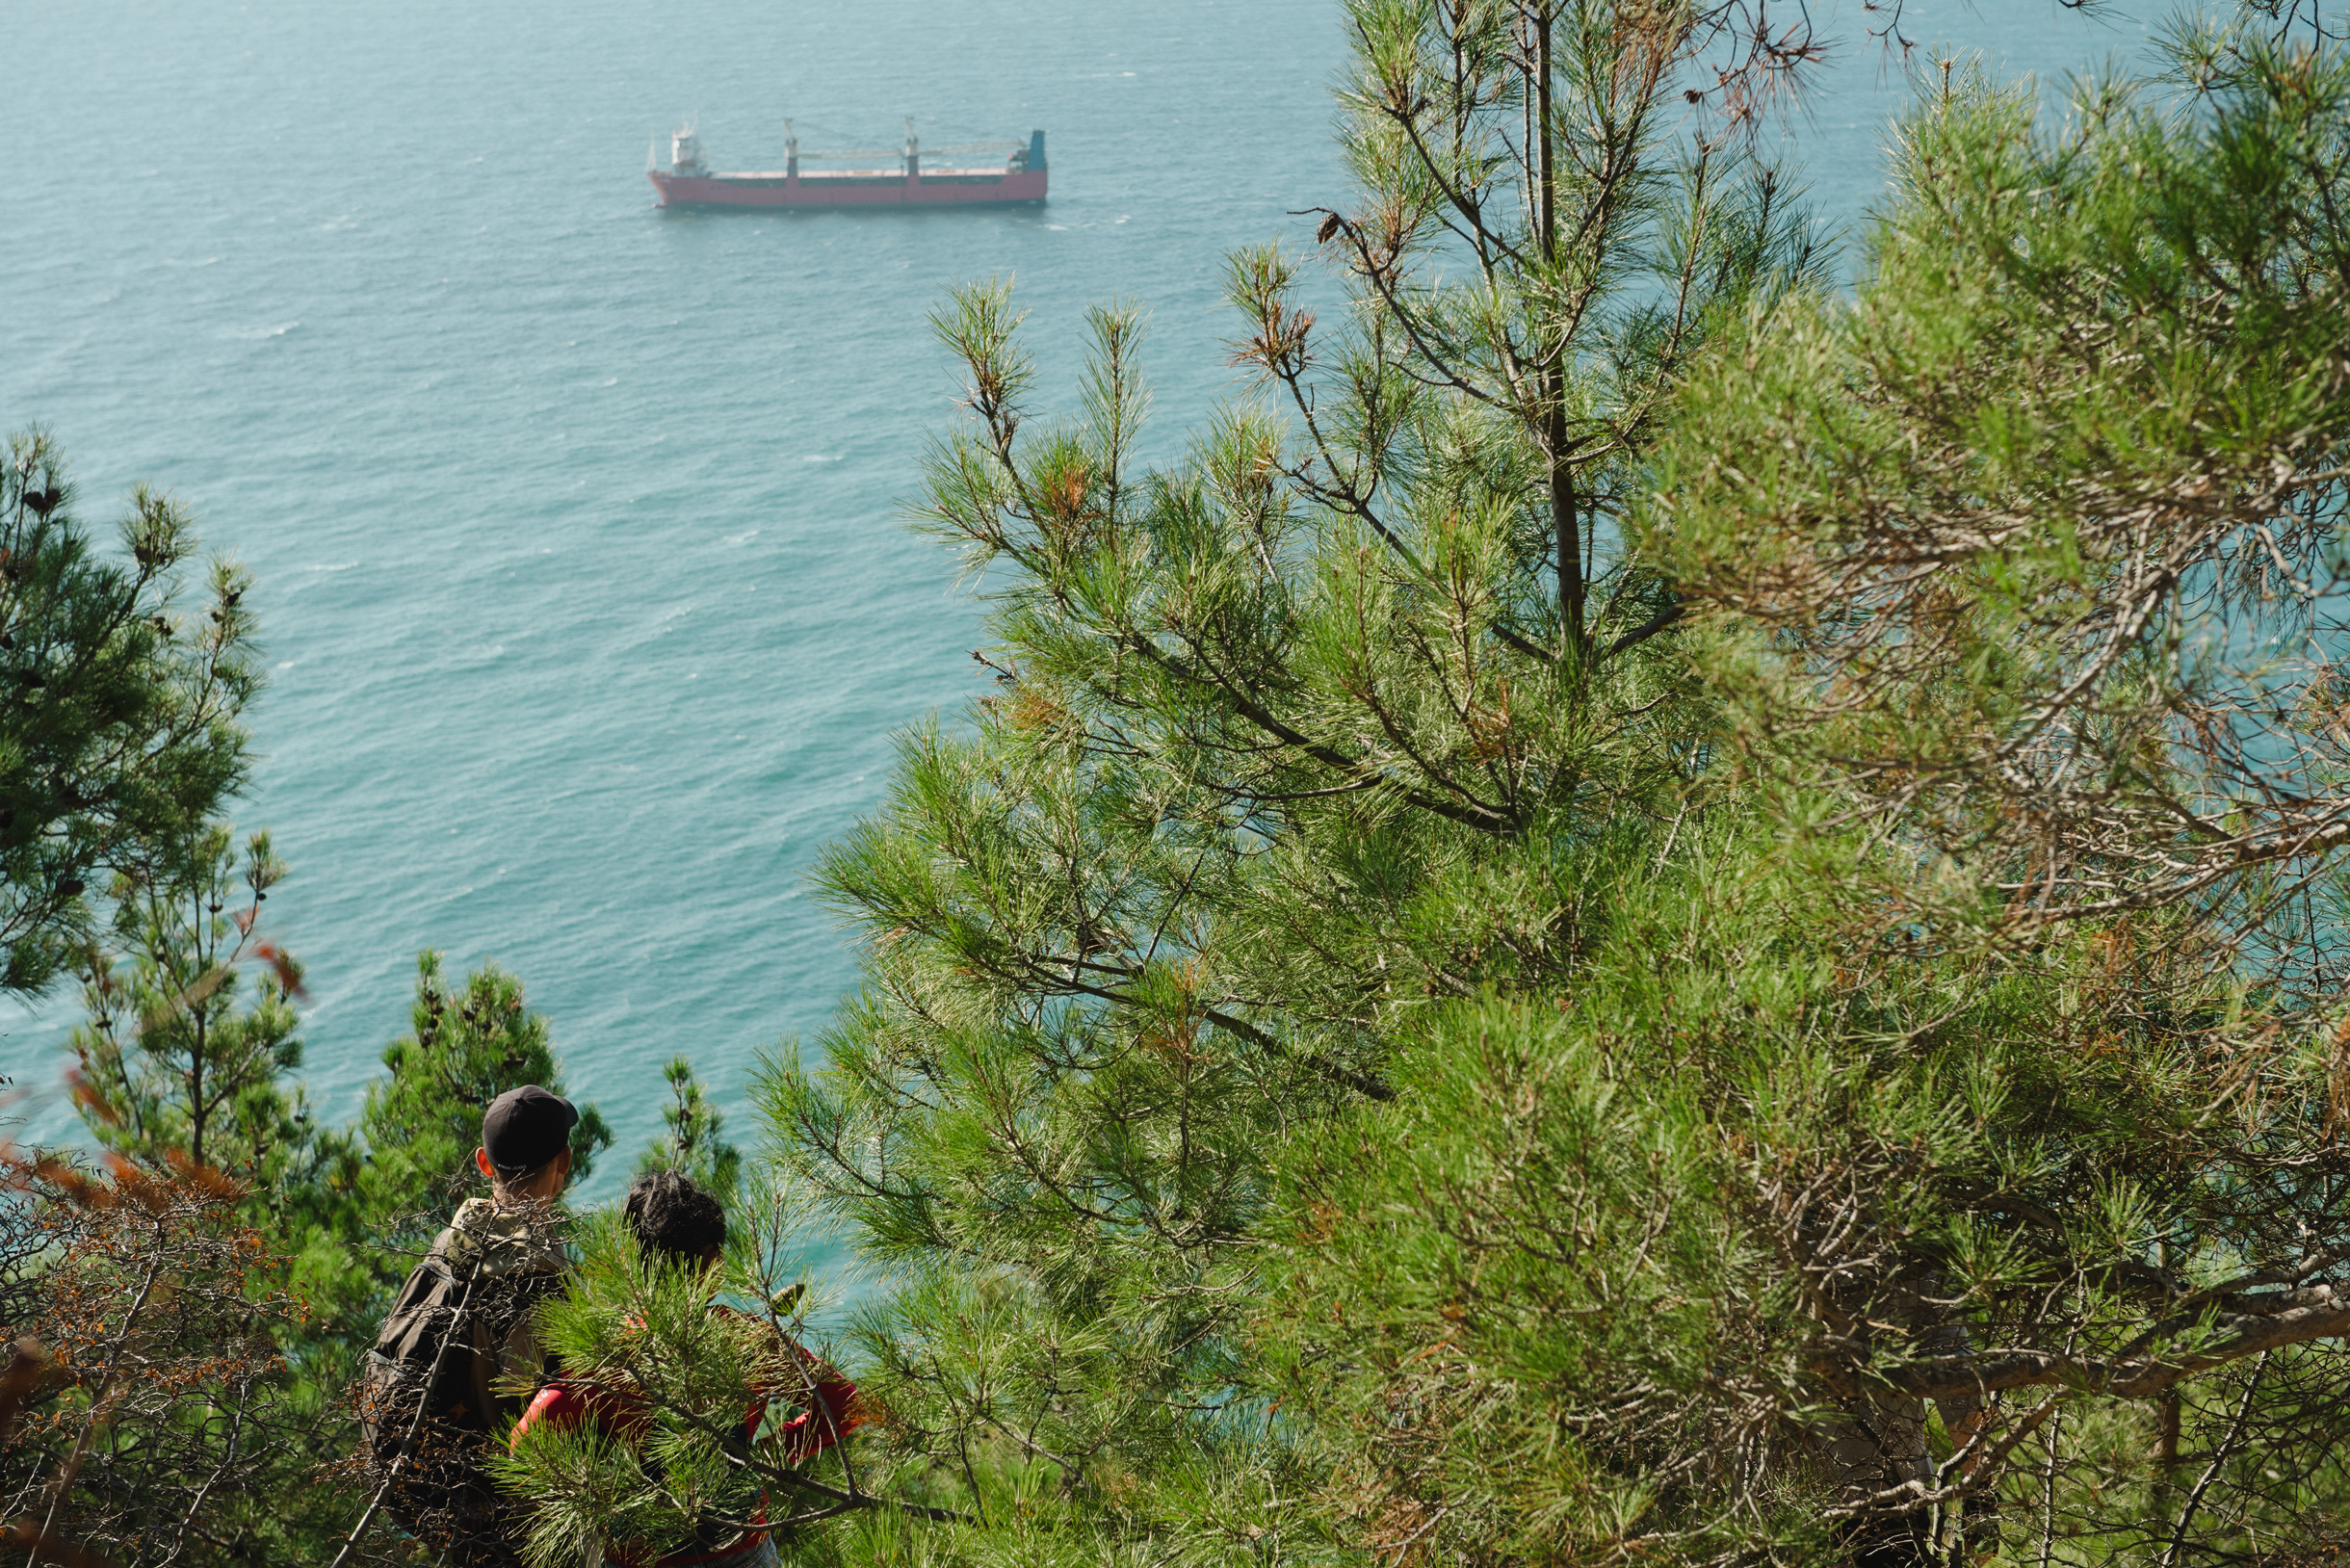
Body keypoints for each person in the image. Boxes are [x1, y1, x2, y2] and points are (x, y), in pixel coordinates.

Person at [510, 1170, 858, 1568]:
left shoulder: (604, 1358)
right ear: (711, 1263)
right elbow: (842, 1403)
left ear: (630, 1262)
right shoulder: (740, 1335)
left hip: (640, 1556)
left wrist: (607, 1500)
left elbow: (526, 1449)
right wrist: (761, 1447)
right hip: (740, 1552)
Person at [360, 1085, 582, 1567]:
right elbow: (544, 1429)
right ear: (563, 1161)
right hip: (508, 1529)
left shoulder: (449, 1245)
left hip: (442, 1501)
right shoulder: (539, 1283)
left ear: (484, 1163)